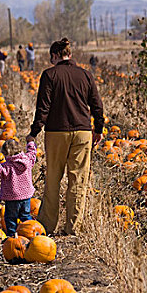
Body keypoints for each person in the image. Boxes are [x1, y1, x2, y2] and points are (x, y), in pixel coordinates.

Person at [26, 38, 104, 236]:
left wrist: (34, 132)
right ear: (70, 54)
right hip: (83, 132)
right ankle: (73, 227)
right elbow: (96, 105)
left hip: (56, 132)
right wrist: (98, 129)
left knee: (53, 178)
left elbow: (43, 108)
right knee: (78, 179)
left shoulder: (50, 75)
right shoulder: (85, 75)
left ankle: (47, 225)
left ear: (54, 56)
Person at [0, 139, 36, 237]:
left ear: (5, 153)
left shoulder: (6, 167)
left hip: (12, 198)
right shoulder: (27, 160)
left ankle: (12, 235)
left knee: (11, 217)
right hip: (26, 196)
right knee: (25, 216)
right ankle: (30, 232)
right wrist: (30, 143)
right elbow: (32, 153)